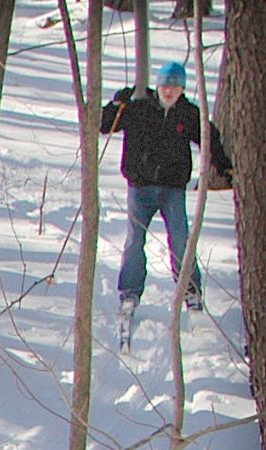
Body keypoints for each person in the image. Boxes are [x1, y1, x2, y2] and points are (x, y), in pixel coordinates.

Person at [99, 61, 233, 317]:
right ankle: (129, 293)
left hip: (172, 189)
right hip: (140, 188)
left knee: (181, 241)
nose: (169, 90)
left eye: (175, 86)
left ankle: (190, 291)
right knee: (134, 241)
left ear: (182, 88)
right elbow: (104, 125)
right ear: (157, 85)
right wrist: (117, 103)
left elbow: (210, 138)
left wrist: (225, 167)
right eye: (164, 85)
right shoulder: (138, 107)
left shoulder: (187, 113)